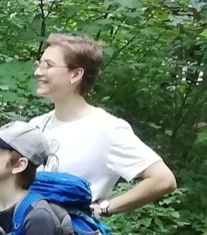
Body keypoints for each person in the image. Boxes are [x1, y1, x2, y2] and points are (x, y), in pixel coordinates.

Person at [30, 34, 178, 216]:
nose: (38, 72)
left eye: (49, 65)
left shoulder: (107, 129)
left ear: (76, 74)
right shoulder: (35, 126)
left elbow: (163, 179)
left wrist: (104, 208)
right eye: (40, 64)